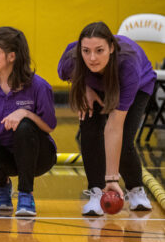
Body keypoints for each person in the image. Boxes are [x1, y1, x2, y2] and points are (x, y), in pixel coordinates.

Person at [57, 21, 156, 215]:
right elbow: (67, 74)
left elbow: (114, 126)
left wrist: (112, 179)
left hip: (136, 87)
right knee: (89, 133)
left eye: (99, 50)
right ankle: (95, 192)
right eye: (86, 51)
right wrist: (85, 88)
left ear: (111, 48)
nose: (92, 58)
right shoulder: (72, 60)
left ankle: (135, 189)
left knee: (124, 140)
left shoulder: (128, 63)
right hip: (94, 86)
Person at [0, 27, 57, 217]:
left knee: (24, 126)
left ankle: (25, 194)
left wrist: (25, 113)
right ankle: (2, 186)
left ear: (12, 56)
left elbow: (49, 126)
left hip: (37, 155)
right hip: (2, 152)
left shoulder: (39, 86)